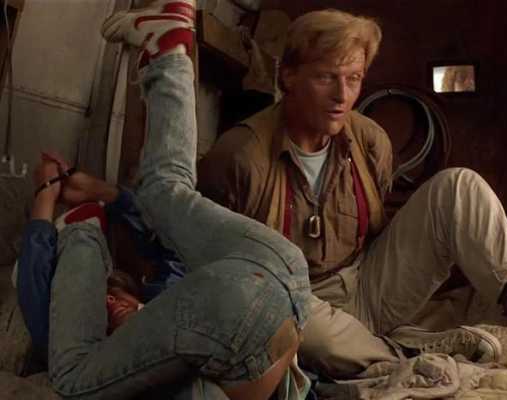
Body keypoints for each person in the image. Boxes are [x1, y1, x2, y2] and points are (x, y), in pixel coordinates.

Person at [196, 8, 507, 380]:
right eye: (325, 77)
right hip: (301, 302)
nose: (342, 96)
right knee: (305, 331)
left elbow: (379, 232)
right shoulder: (239, 157)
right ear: (288, 76)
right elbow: (223, 277)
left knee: (458, 185)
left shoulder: (370, 141)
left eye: (353, 79)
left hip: (366, 284)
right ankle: (411, 353)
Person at [15, 1, 313, 399]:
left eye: (109, 293)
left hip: (257, 286)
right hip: (285, 274)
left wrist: (63, 200)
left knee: (70, 380)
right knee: (165, 190)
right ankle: (169, 52)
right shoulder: (175, 335)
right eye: (102, 305)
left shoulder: (171, 302)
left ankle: (168, 48)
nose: (111, 304)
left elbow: (37, 288)